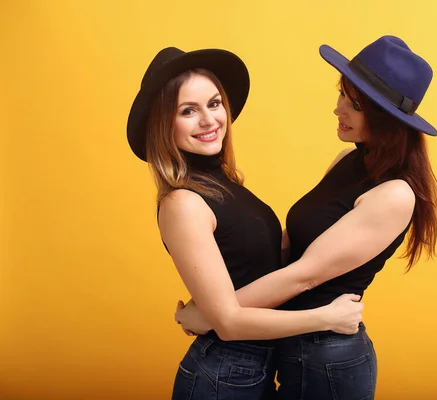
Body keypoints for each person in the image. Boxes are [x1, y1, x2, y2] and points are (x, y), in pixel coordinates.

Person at [176, 35, 437, 399]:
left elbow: (304, 275)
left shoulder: (395, 193)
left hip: (329, 354)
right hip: (287, 343)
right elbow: (289, 247)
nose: (338, 109)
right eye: (342, 95)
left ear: (386, 119)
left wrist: (211, 318)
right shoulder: (347, 160)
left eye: (355, 104)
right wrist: (215, 308)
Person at [126, 47, 364, 400]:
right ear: (163, 124)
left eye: (214, 103)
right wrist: (327, 318)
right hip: (224, 373)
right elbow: (230, 323)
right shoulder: (183, 203)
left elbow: (255, 265)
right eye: (188, 111)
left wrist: (200, 311)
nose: (209, 120)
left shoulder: (224, 184)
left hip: (253, 367)